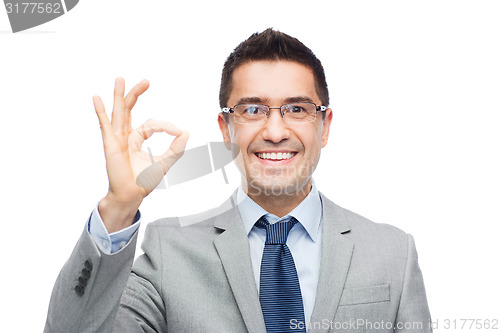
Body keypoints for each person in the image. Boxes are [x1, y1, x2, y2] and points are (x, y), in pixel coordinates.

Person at [44, 28, 432, 332]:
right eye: (253, 109)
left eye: (297, 108)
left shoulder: (393, 255)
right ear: (226, 128)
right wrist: (118, 207)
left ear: (324, 126)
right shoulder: (168, 254)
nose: (276, 130)